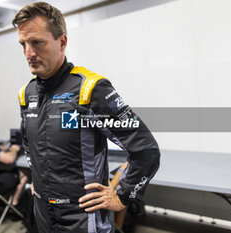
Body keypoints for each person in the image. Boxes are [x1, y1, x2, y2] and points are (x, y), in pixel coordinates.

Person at [13, 2, 160, 232]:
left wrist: (122, 196)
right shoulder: (27, 93)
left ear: (62, 42)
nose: (29, 53)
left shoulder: (90, 90)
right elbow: (28, 143)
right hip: (42, 213)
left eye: (37, 43)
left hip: (82, 217)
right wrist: (37, 180)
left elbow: (146, 150)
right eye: (23, 44)